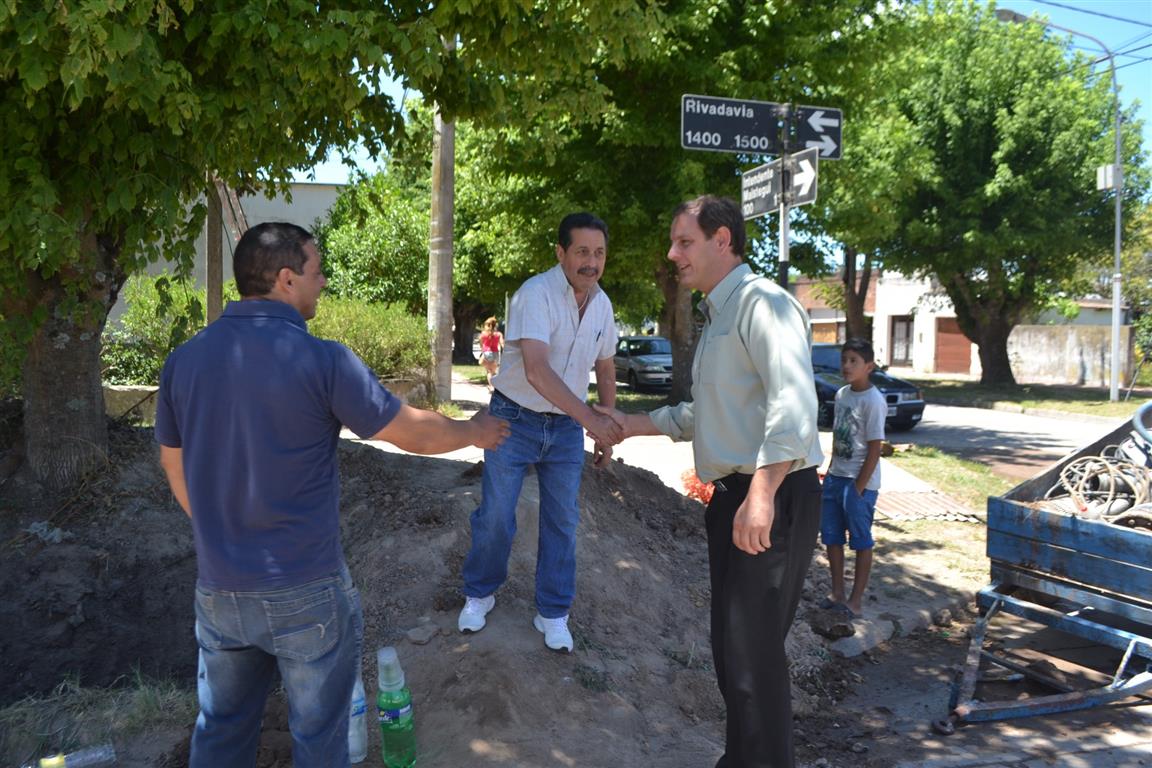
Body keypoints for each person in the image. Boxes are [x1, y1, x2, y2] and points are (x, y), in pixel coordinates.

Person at [154, 222, 509, 767]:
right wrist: (473, 433)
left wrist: (214, 530)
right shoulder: (322, 360)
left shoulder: (185, 359)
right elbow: (406, 430)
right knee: (319, 739)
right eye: (317, 274)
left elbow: (171, 459)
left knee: (222, 730)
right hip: (305, 589)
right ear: (286, 279)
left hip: (220, 588)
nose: (323, 284)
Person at [598, 196, 824, 767]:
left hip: (769, 497)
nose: (673, 254)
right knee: (733, 658)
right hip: (733, 501)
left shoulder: (763, 305)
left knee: (753, 664)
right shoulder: (719, 316)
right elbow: (704, 414)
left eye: (684, 242)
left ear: (722, 240)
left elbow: (794, 407)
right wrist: (631, 423)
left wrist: (762, 496)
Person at [457, 212, 622, 653]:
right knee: (496, 512)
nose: (592, 262)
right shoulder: (536, 293)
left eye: (600, 252)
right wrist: (593, 422)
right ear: (561, 253)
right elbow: (536, 370)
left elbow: (605, 366)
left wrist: (605, 424)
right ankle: (480, 593)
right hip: (514, 419)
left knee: (563, 520)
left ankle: (552, 611)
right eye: (583, 251)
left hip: (566, 429)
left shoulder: (603, 306)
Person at [820, 338, 885, 620]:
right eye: (844, 360)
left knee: (860, 540)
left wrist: (858, 488)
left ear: (868, 366)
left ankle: (855, 601)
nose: (846, 366)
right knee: (832, 537)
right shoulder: (842, 394)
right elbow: (839, 438)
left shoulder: (874, 401)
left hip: (859, 484)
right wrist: (830, 473)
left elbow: (875, 448)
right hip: (836, 478)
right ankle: (837, 593)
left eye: (854, 361)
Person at [478, 316, 504, 391]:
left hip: (486, 353)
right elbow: (502, 343)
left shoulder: (483, 334)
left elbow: (481, 343)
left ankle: (492, 387)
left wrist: (482, 348)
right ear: (495, 325)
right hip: (495, 354)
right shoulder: (499, 334)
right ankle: (495, 386)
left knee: (489, 372)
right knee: (493, 372)